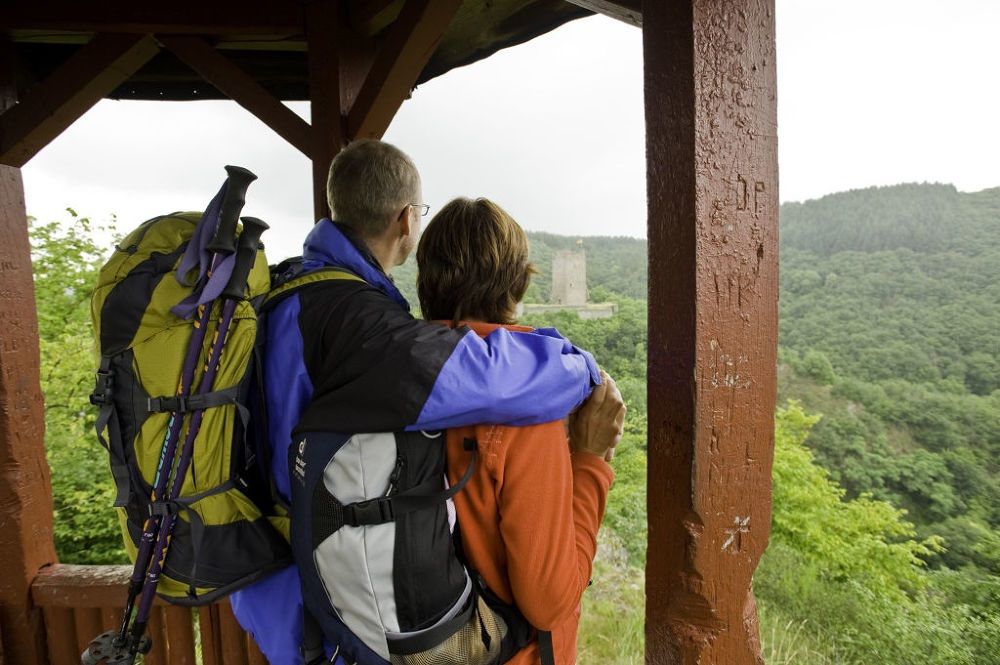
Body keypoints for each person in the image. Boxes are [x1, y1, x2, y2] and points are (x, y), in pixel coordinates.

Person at [230, 140, 622, 664]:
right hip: (386, 631)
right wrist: (591, 456)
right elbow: (549, 601)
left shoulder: (290, 298)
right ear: (404, 223)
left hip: (293, 599)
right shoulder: (383, 345)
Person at [416, 197, 622, 665]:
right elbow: (548, 603)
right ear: (518, 283)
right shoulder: (529, 404)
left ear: (426, 283)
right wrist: (589, 463)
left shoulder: (400, 378)